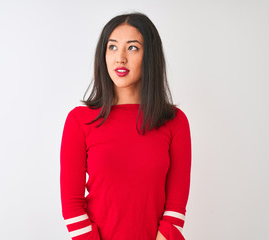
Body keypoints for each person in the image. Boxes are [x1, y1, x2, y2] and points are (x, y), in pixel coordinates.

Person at [60, 12, 192, 240]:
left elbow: (175, 209)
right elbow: (72, 205)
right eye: (112, 47)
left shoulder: (175, 121)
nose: (119, 58)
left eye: (132, 48)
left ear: (149, 56)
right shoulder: (79, 120)